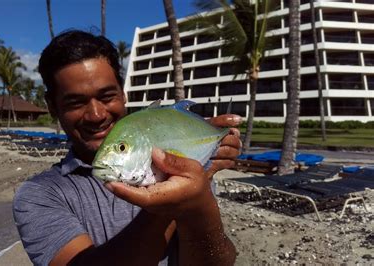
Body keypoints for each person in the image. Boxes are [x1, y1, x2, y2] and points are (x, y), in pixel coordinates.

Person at [13, 30, 242, 266]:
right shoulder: (40, 195)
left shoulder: (190, 170)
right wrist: (168, 207)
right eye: (75, 102)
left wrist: (199, 199)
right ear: (52, 106)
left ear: (123, 94)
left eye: (106, 96)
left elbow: (218, 261)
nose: (96, 115)